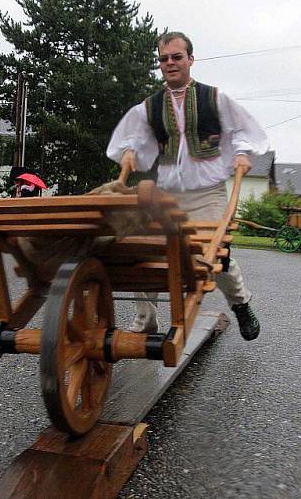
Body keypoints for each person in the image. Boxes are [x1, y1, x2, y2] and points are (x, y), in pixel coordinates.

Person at [107, 31, 269, 341]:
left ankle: (241, 303)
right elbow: (136, 141)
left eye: (177, 57)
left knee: (215, 255)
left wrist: (241, 153)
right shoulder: (150, 107)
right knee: (144, 250)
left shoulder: (214, 98)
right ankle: (146, 318)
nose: (170, 63)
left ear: (190, 60)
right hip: (168, 194)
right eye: (164, 59)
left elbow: (242, 130)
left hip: (208, 193)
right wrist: (130, 151)